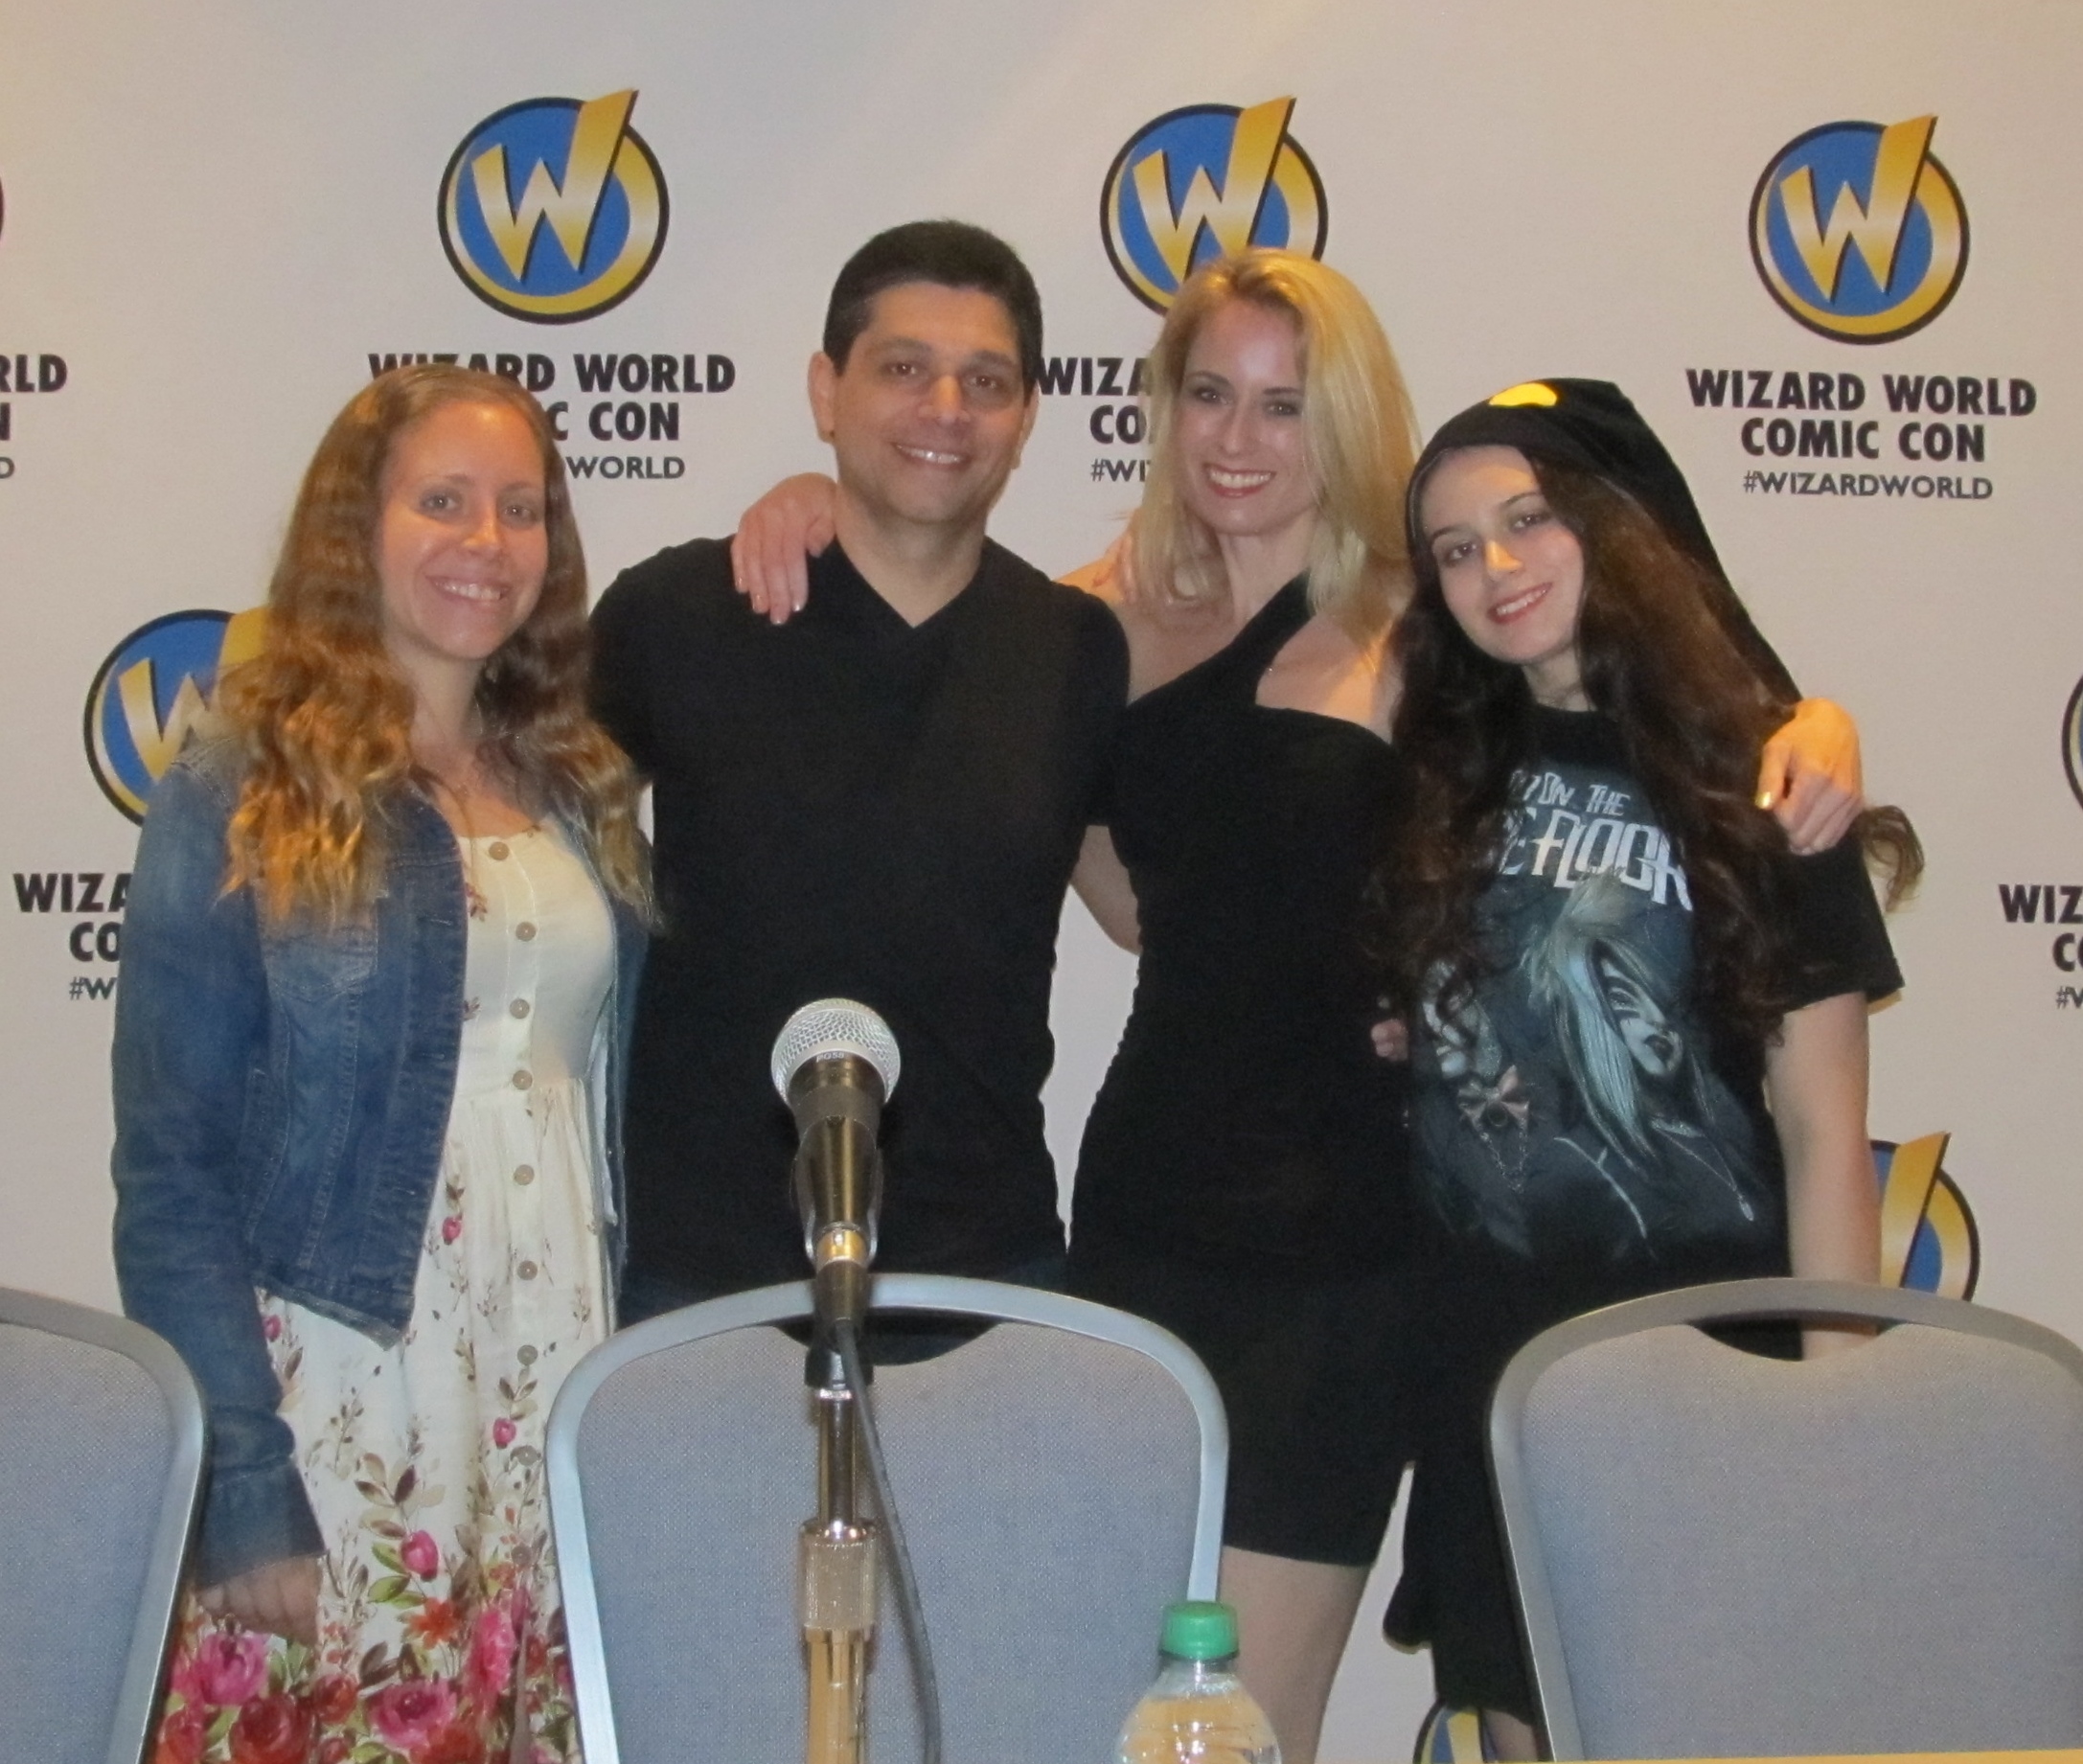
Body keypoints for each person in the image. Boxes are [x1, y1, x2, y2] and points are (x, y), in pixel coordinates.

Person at [731, 257, 1865, 1764]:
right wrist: (800, 506)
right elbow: (1138, 902)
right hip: (1141, 1220)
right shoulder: (1078, 628)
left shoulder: (1432, 624)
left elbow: (1659, 697)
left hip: (1351, 1249)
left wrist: (1818, 725)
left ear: (1339, 421)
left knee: (1244, 1720)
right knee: (1096, 1703)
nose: (1239, 438)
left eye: (1283, 401)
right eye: (1209, 393)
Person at [112, 364, 650, 1762]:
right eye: (444, 501)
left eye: (520, 509)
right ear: (358, 529)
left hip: (545, 1385)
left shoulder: (574, 777)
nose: (487, 541)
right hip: (342, 1397)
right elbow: (170, 1167)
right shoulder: (239, 776)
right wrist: (241, 1478)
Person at [1376, 378, 1920, 1757]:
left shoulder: (1771, 779)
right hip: (1488, 1383)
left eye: (1526, 520)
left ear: (1611, 525)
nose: (1491, 569)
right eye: (1451, 548)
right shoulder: (1433, 777)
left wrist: (1836, 1423)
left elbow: (1820, 1138)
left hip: (1707, 1380)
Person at [589, 221, 1126, 1324]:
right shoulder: (675, 616)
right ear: (825, 391)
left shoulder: (1072, 647)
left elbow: (1138, 906)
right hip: (704, 1277)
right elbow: (509, 850)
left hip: (987, 1271)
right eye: (901, 369)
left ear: (1025, 417)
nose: (944, 408)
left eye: (985, 379)